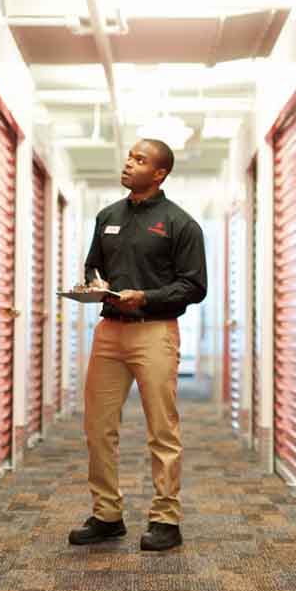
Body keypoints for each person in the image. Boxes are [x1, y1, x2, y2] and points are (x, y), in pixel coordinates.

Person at [68, 138, 207, 551]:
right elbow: (94, 263)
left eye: (140, 160)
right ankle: (107, 514)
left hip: (155, 332)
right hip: (110, 332)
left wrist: (144, 296)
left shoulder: (180, 224)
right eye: (130, 156)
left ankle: (166, 518)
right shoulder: (107, 215)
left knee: (161, 429)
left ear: (160, 173)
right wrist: (97, 285)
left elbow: (194, 287)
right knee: (97, 427)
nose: (129, 163)